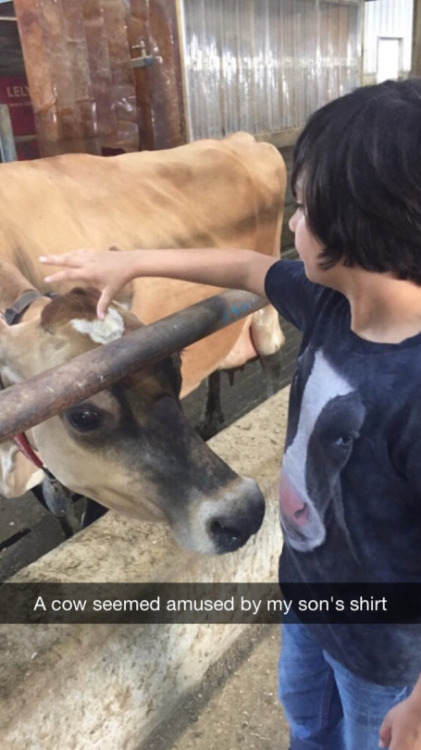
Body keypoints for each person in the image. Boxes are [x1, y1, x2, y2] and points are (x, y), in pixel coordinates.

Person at [41, 78, 421, 749]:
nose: (290, 226)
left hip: (388, 649)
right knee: (306, 720)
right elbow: (247, 267)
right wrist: (130, 260)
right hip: (308, 592)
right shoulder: (330, 303)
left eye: (301, 210)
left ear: (359, 227)